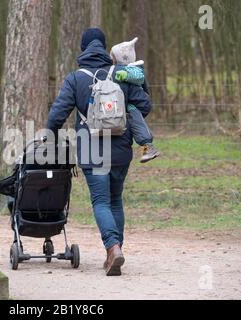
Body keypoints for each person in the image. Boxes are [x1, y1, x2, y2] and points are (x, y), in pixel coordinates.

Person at [46, 28, 152, 276]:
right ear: (105, 49)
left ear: (83, 50)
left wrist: (50, 137)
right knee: (115, 201)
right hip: (121, 150)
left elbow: (56, 116)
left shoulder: (76, 78)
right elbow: (145, 105)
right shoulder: (121, 74)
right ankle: (114, 251)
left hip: (92, 151)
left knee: (101, 201)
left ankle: (113, 248)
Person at [111, 38, 160, 163]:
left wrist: (125, 75)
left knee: (137, 123)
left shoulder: (132, 69)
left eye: (112, 56)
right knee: (135, 123)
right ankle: (146, 146)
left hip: (133, 105)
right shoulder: (119, 69)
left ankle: (148, 147)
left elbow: (139, 76)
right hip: (128, 105)